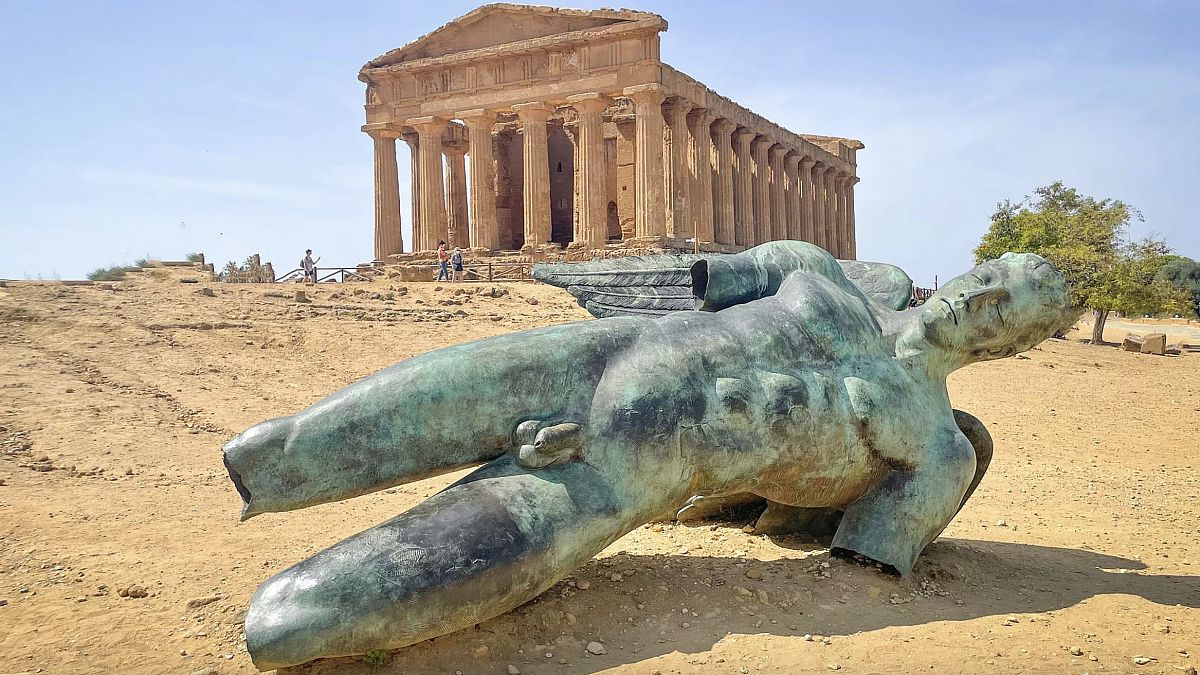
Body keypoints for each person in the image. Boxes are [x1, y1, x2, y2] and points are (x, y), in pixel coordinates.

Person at [223, 242, 1075, 668]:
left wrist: (796, 507)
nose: (979, 298)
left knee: (297, 621)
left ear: (1009, 347)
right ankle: (263, 474)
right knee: (285, 449)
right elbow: (687, 281)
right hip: (600, 355)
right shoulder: (826, 272)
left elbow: (855, 555)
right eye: (989, 276)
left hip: (630, 473)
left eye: (1005, 309)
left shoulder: (939, 449)